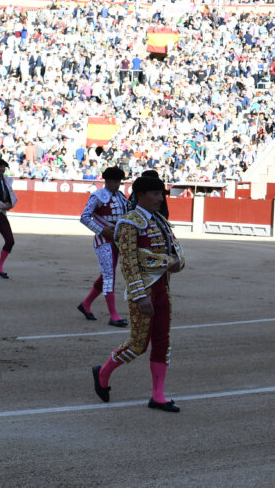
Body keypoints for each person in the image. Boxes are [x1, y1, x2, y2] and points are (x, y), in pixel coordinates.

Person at [91, 173, 185, 412]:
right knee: (138, 344)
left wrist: (177, 263)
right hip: (143, 289)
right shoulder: (128, 222)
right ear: (140, 195)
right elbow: (129, 263)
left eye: (161, 194)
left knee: (162, 341)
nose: (160, 198)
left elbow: (176, 252)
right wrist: (140, 295)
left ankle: (158, 396)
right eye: (155, 193)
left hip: (163, 286)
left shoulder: (160, 221)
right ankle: (102, 372)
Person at [78, 166, 130, 326]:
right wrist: (102, 230)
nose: (118, 184)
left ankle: (85, 304)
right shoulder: (98, 196)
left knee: (107, 275)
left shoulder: (121, 196)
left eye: (119, 182)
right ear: (106, 181)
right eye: (115, 181)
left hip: (118, 240)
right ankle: (113, 315)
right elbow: (85, 217)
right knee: (109, 276)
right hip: (103, 241)